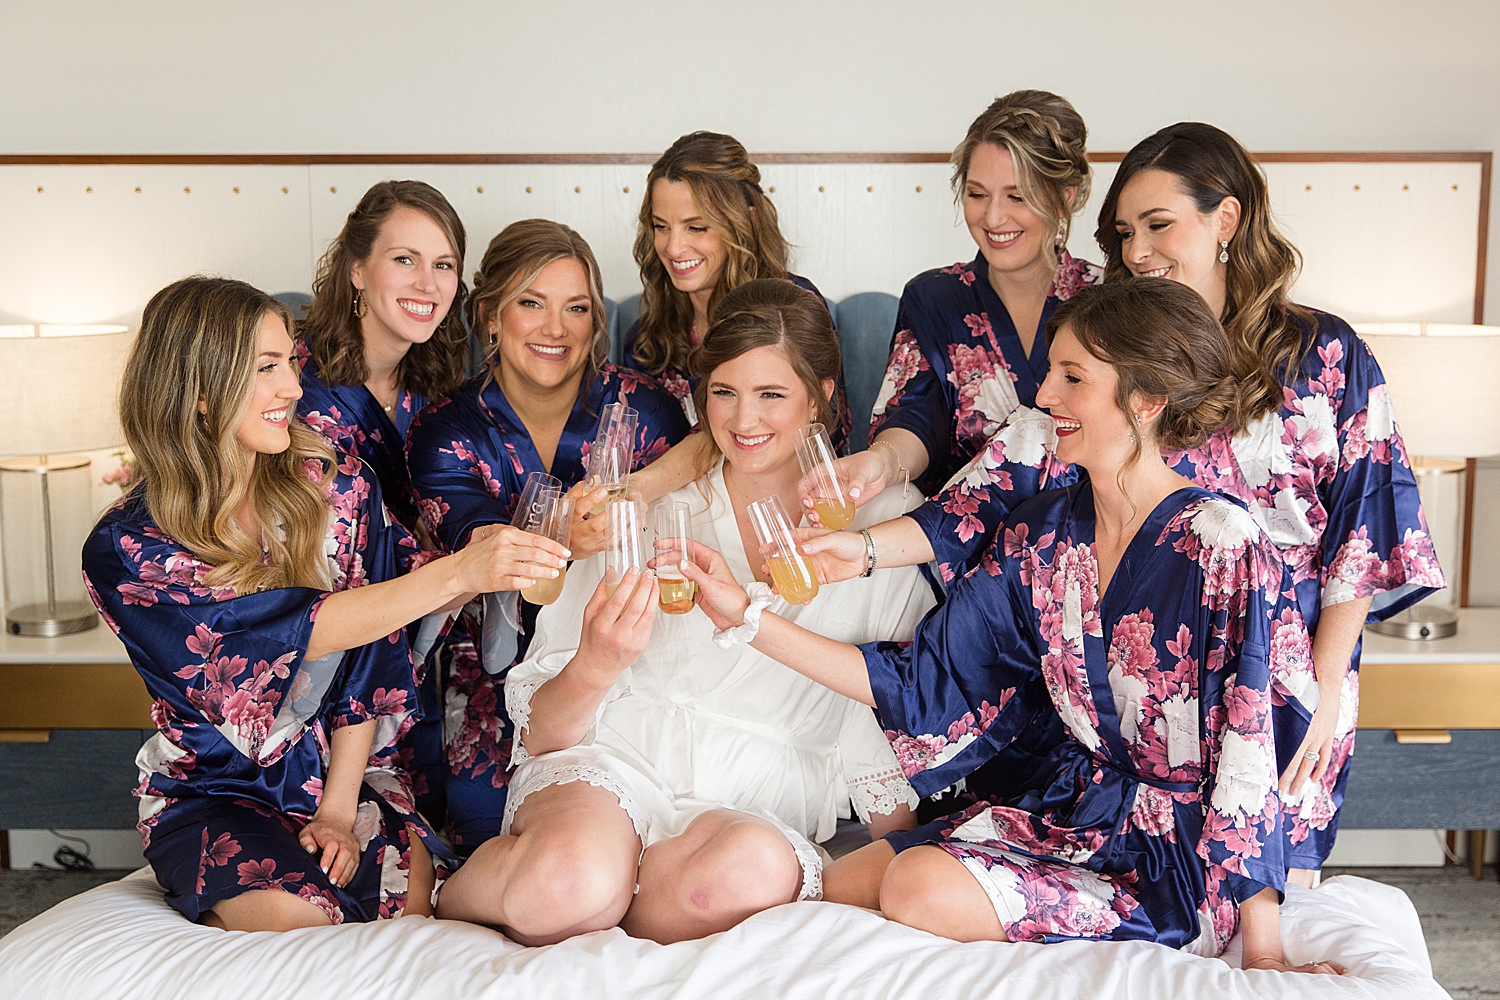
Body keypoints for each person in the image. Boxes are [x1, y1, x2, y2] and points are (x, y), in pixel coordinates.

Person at [815, 123, 1445, 886]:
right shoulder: (1118, 358)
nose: (1137, 250)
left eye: (1158, 225)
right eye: (1123, 232)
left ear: (1227, 220)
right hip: (1139, 691)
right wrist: (868, 548)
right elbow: (994, 484)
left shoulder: (1326, 353)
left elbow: (1364, 536)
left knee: (1266, 894)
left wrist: (1325, 685)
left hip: (1284, 680)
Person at [682, 280, 1344, 974]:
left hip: (1172, 858)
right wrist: (748, 617)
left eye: (1073, 377)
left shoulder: (1223, 544)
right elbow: (919, 682)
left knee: (915, 884)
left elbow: (1254, 748)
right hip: (1067, 809)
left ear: (1146, 401)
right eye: (1050, 371)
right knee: (834, 884)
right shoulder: (1042, 536)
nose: (1046, 396)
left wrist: (1262, 950)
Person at [434, 279, 932, 946]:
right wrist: (597, 661)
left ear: (822, 396)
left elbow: (880, 712)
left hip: (752, 801)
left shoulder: (884, 527)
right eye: (723, 392)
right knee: (569, 882)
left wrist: (903, 863)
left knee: (749, 872)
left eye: (772, 395)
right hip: (611, 765)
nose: (743, 420)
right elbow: (546, 732)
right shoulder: (640, 512)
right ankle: (468, 892)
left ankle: (603, 901)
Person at [82, 277, 563, 931]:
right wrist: (459, 571)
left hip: (347, 775)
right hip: (214, 793)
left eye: (290, 364)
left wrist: (339, 807)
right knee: (300, 921)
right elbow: (301, 631)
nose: (293, 389)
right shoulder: (127, 546)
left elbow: (375, 641)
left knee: (404, 910)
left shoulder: (337, 487)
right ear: (197, 391)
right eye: (267, 368)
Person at [406, 219, 690, 850]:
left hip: (624, 663)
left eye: (577, 308)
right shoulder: (445, 429)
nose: (555, 329)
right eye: (531, 303)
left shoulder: (644, 408)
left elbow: (706, 470)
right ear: (488, 315)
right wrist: (562, 529)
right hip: (488, 673)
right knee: (493, 844)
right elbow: (477, 548)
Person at [295, 179, 470, 824]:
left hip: (419, 647)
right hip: (311, 665)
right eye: (406, 260)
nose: (428, 284)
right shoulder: (290, 385)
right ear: (356, 270)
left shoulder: (438, 394)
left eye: (444, 265)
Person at [833, 90, 1099, 503]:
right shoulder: (935, 298)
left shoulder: (1111, 300)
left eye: (1017, 196)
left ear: (1064, 196)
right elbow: (916, 415)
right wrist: (881, 462)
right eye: (977, 194)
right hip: (966, 548)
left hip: (1091, 547)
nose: (992, 218)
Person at [624, 131, 853, 505]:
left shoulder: (792, 309)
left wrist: (641, 487)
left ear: (744, 221)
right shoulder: (648, 337)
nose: (672, 247)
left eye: (696, 227)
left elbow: (817, 434)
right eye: (660, 226)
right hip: (682, 515)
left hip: (794, 509)